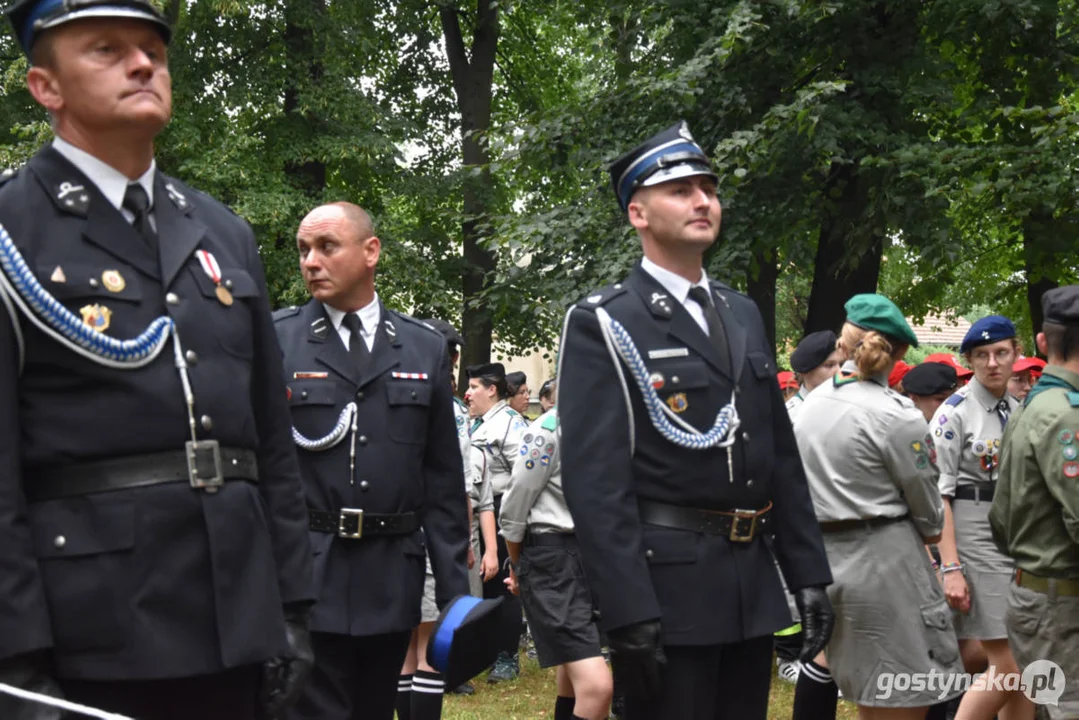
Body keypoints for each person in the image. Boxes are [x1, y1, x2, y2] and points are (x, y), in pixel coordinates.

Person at [0, 3, 315, 719]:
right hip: (92, 624)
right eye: (107, 49)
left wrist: (291, 606)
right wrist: (15, 656)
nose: (144, 64)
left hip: (236, 612)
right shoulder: (14, 226)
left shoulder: (218, 230)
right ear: (45, 87)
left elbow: (271, 437)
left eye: (152, 49)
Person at [557, 121, 834, 720]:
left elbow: (778, 453)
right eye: (681, 189)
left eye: (708, 187)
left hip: (749, 583)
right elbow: (596, 486)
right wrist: (628, 611)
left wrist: (808, 571)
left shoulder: (739, 311)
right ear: (638, 213)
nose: (704, 200)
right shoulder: (605, 321)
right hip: (668, 586)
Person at [273, 202, 469, 720]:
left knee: (376, 709)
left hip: (391, 574)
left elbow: (443, 480)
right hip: (308, 573)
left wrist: (455, 595)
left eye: (326, 246)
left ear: (370, 252)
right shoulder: (279, 340)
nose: (310, 261)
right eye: (304, 250)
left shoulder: (421, 347)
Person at [793, 294, 964, 718]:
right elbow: (928, 513)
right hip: (886, 565)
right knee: (905, 693)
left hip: (826, 563)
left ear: (843, 344)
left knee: (867, 692)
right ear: (901, 351)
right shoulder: (897, 414)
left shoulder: (807, 407)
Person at [931, 316, 1032, 720]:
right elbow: (938, 496)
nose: (993, 363)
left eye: (1001, 353)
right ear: (970, 360)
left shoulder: (1019, 408)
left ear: (1016, 354)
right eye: (982, 355)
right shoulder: (953, 413)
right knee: (1006, 666)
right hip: (975, 535)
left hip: (1016, 537)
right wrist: (951, 565)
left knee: (1023, 663)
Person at [990, 285, 1079, 720]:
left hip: (1035, 592)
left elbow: (1001, 519)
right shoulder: (1066, 415)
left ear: (1044, 342)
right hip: (1060, 604)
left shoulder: (1030, 405)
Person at [501, 398, 614, 720]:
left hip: (595, 558)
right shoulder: (548, 430)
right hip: (552, 556)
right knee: (597, 686)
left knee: (573, 675)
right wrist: (519, 565)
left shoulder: (614, 426)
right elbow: (516, 502)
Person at [466, 362, 530, 682]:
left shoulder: (510, 423)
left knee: (505, 585)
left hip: (506, 508)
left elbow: (523, 476)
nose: (467, 393)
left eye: (474, 387)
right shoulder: (474, 423)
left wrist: (515, 519)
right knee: (487, 584)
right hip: (481, 510)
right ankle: (488, 651)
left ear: (492, 390)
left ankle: (507, 658)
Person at [786, 330, 842, 421]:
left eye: (840, 364)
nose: (839, 371)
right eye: (829, 365)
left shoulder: (844, 406)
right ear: (806, 371)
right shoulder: (792, 416)